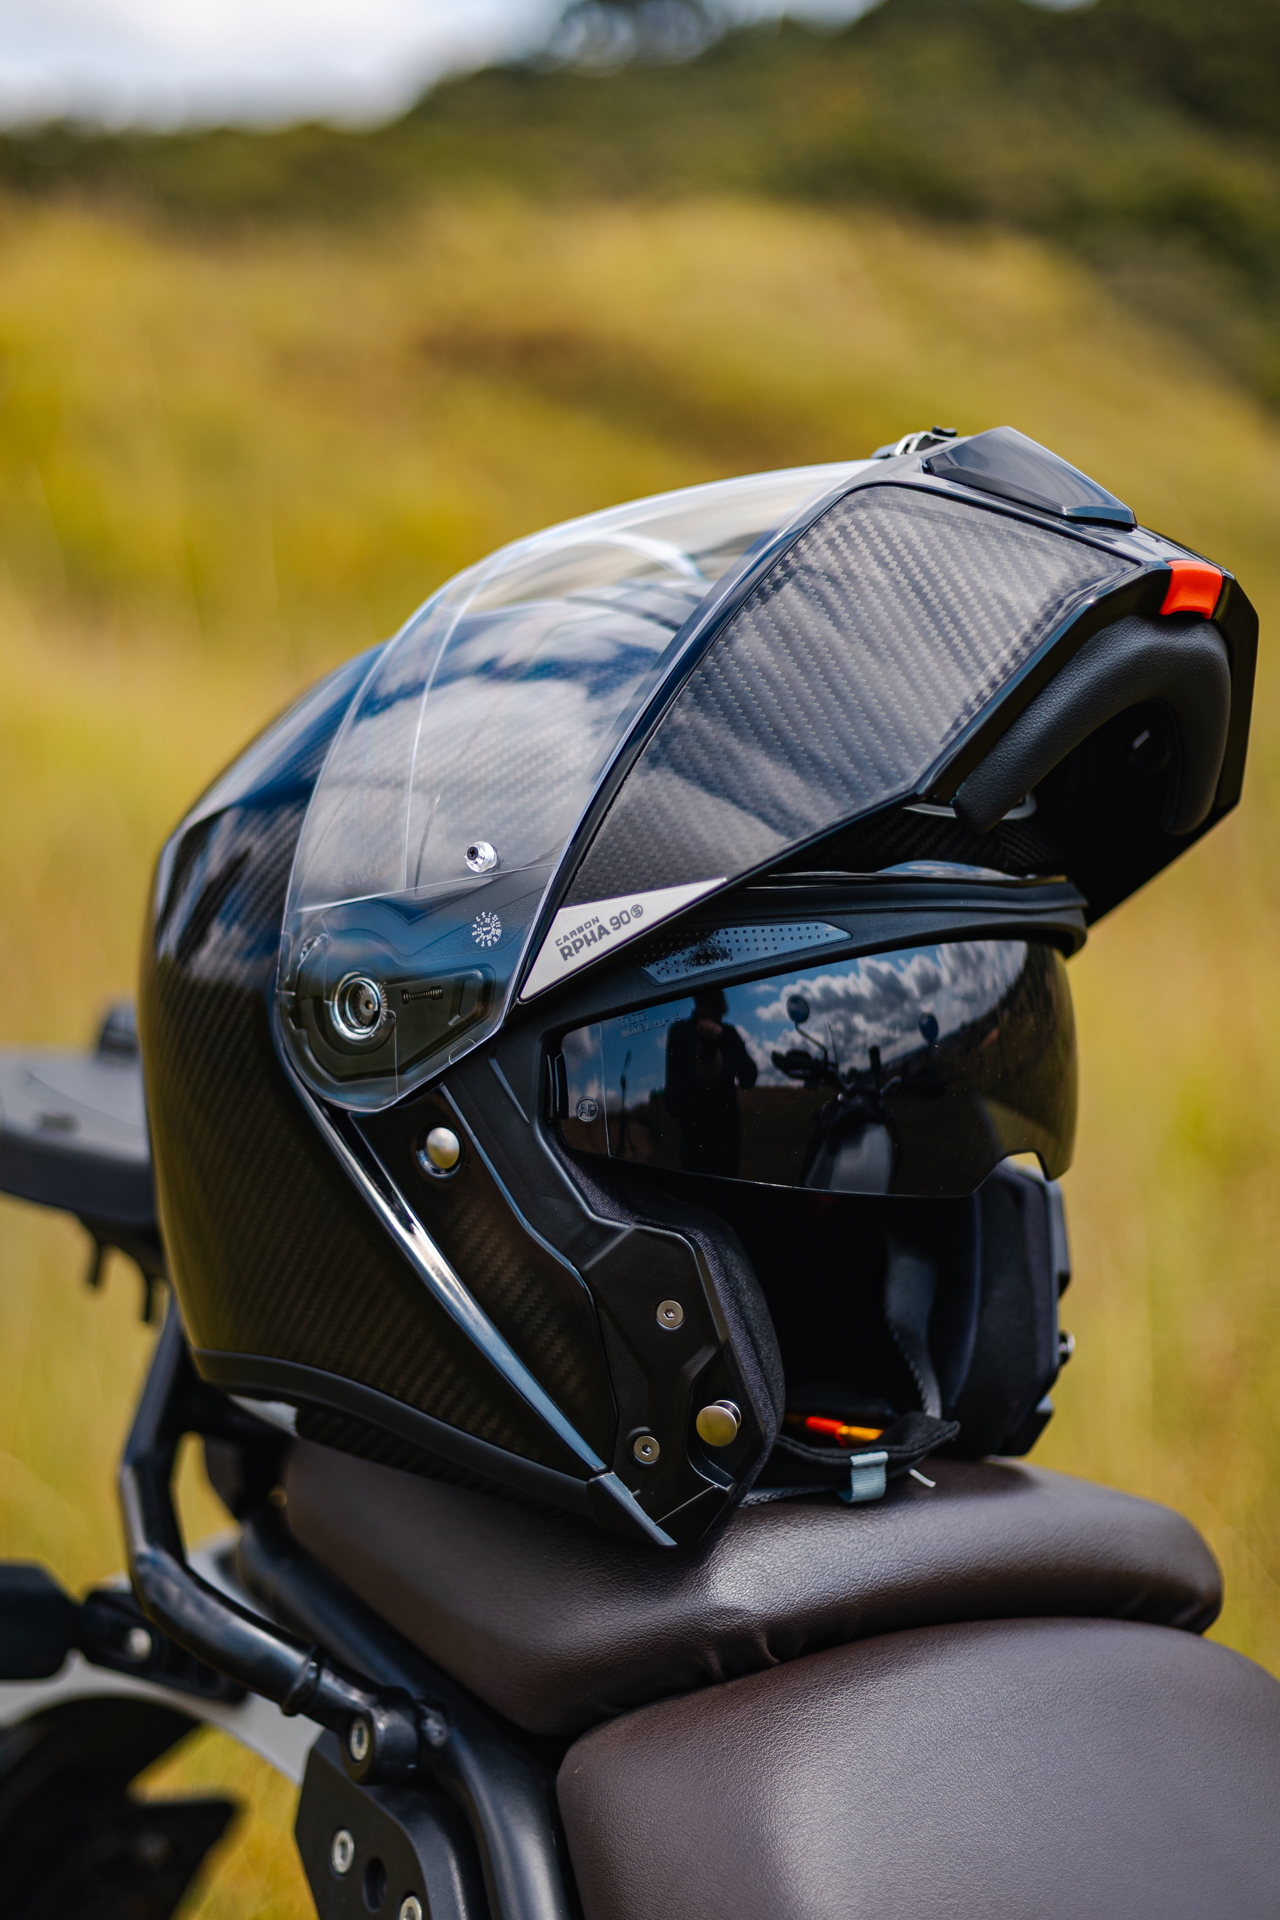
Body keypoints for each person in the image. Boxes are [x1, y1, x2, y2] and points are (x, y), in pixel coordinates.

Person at [663, 987, 758, 1177]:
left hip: (727, 1145)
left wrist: (723, 1039)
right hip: (695, 1146)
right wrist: (700, 1077)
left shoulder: (728, 1034)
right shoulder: (682, 1034)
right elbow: (673, 1102)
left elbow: (749, 1076)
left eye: (717, 1013)